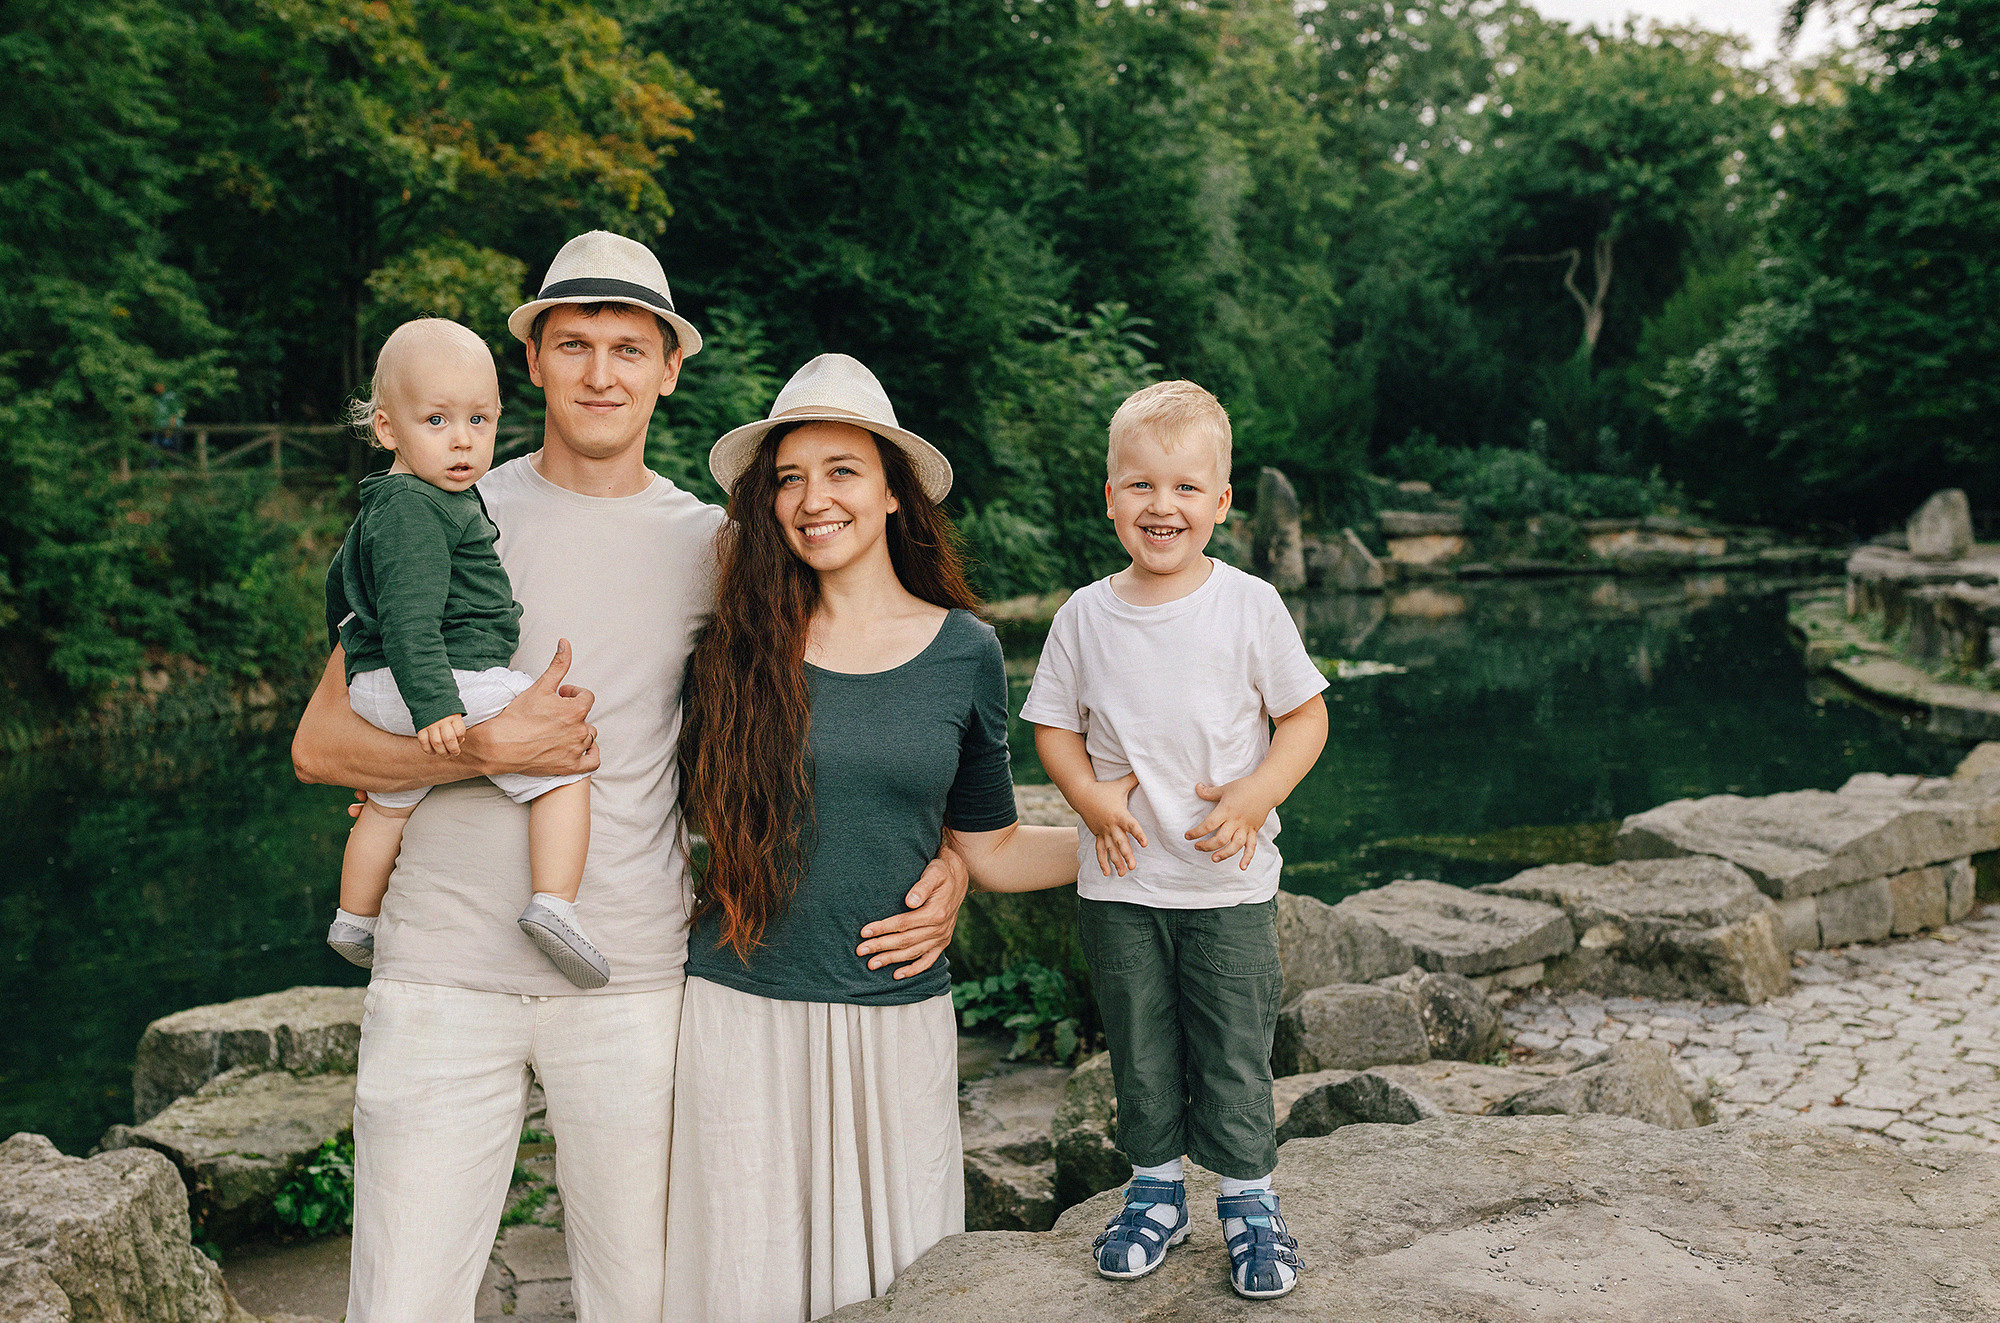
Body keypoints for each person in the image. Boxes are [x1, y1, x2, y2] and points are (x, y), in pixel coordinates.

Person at [290, 235, 969, 1323]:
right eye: (573, 345)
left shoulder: (716, 546)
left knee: (642, 1302)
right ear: (533, 363)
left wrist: (956, 861)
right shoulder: (441, 508)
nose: (600, 373)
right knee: (401, 1301)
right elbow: (321, 744)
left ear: (669, 368)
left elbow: (854, 710)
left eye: (627, 348)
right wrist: (483, 749)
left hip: (632, 979)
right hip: (440, 973)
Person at [667, 353, 1080, 1321]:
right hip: (739, 1011)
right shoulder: (727, 649)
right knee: (743, 1283)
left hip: (894, 1017)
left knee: (901, 1285)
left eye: (842, 470)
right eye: (789, 477)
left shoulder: (966, 651)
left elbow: (990, 845)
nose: (813, 498)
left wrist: (1128, 839)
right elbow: (653, 810)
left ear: (894, 492)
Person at [1019, 380, 1329, 1300]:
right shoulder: (1084, 615)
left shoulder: (1249, 605)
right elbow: (1052, 727)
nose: (1164, 505)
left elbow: (1306, 718)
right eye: (1142, 484)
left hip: (1226, 885)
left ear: (1221, 502)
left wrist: (1257, 792)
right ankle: (1155, 1189)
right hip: (1121, 884)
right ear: (1111, 495)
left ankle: (1248, 1197)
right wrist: (1088, 798)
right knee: (1140, 1043)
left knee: (1232, 1043)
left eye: (1187, 487)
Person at [322, 318, 601, 987]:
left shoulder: (395, 502)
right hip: (438, 676)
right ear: (387, 429)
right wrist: (436, 706)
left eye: (479, 420)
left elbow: (340, 590)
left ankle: (353, 920)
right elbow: (411, 621)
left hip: (385, 680)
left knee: (390, 800)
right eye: (437, 420)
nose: (462, 440)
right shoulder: (415, 509)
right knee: (563, 756)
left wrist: (364, 666)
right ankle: (554, 905)